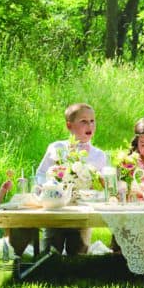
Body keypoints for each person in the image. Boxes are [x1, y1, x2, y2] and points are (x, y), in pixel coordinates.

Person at [36, 103, 109, 255]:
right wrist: (46, 187)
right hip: (57, 206)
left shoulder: (99, 155)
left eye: (92, 121)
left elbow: (104, 183)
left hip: (83, 209)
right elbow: (41, 174)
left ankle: (76, 262)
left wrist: (102, 183)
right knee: (50, 251)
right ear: (69, 126)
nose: (89, 125)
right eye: (83, 121)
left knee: (78, 252)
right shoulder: (57, 148)